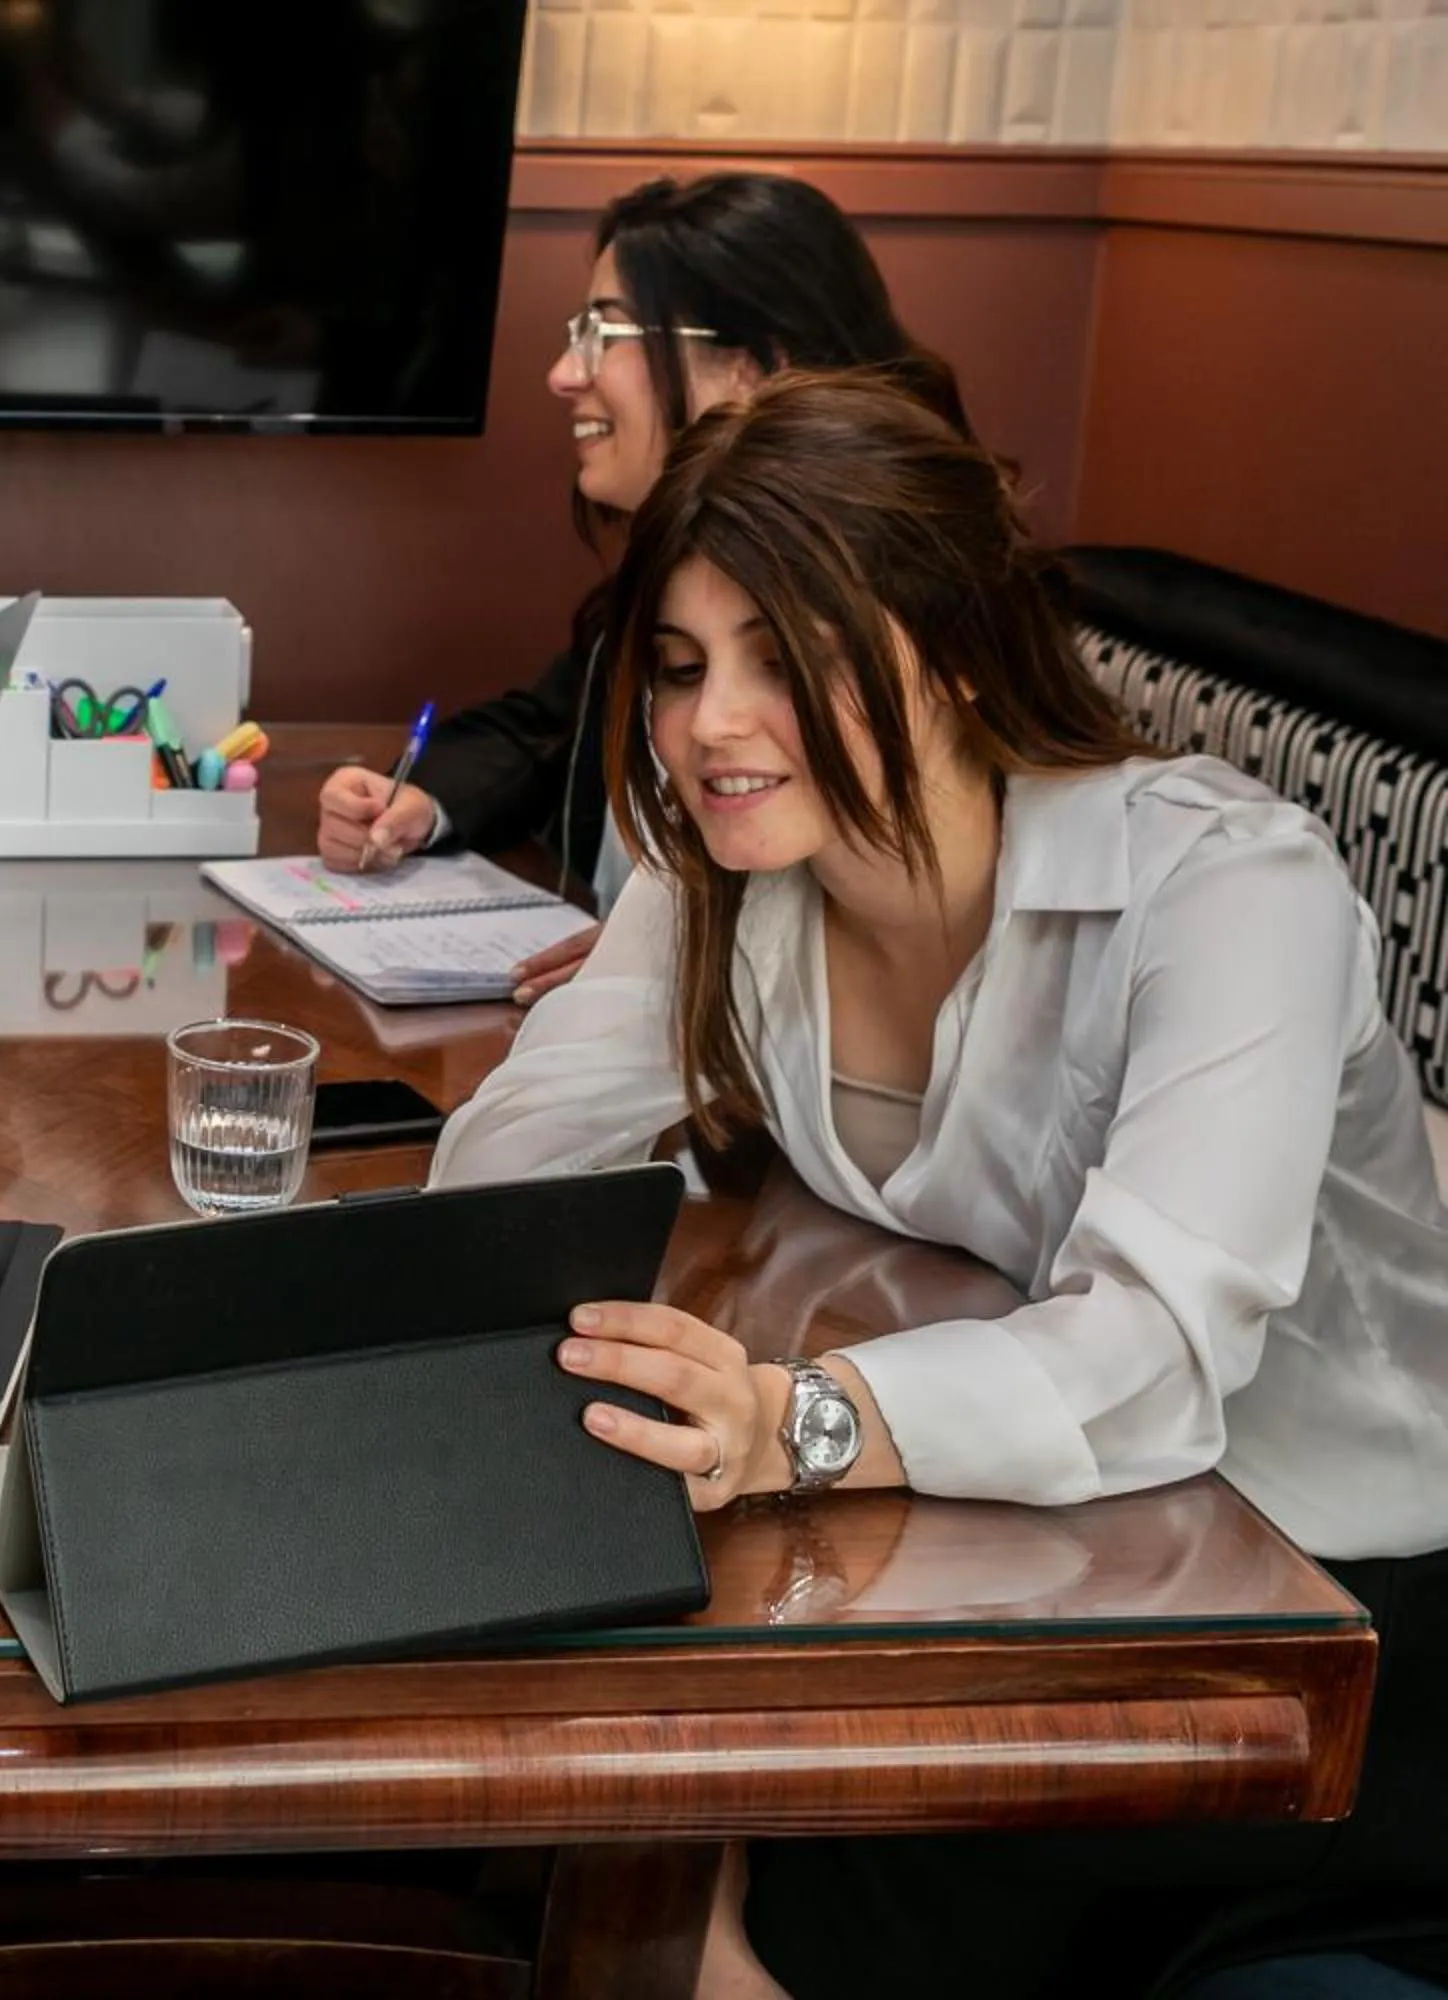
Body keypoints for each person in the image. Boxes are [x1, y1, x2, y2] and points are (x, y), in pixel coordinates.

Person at [427, 372, 1448, 1997]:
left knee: (709, 1861)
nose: (710, 724)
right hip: (1039, 1556)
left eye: (790, 656)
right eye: (682, 668)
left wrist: (792, 1422)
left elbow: (1158, 1354)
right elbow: (500, 1174)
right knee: (606, 1798)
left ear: (960, 653)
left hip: (1323, 1619)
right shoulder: (728, 874)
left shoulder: (1228, 887)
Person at [315, 172, 971, 1004]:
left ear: (750, 370)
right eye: (684, 671)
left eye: (604, 334)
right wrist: (418, 801)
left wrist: (674, 957)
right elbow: (544, 729)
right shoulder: (665, 586)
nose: (561, 374)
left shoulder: (900, 618)